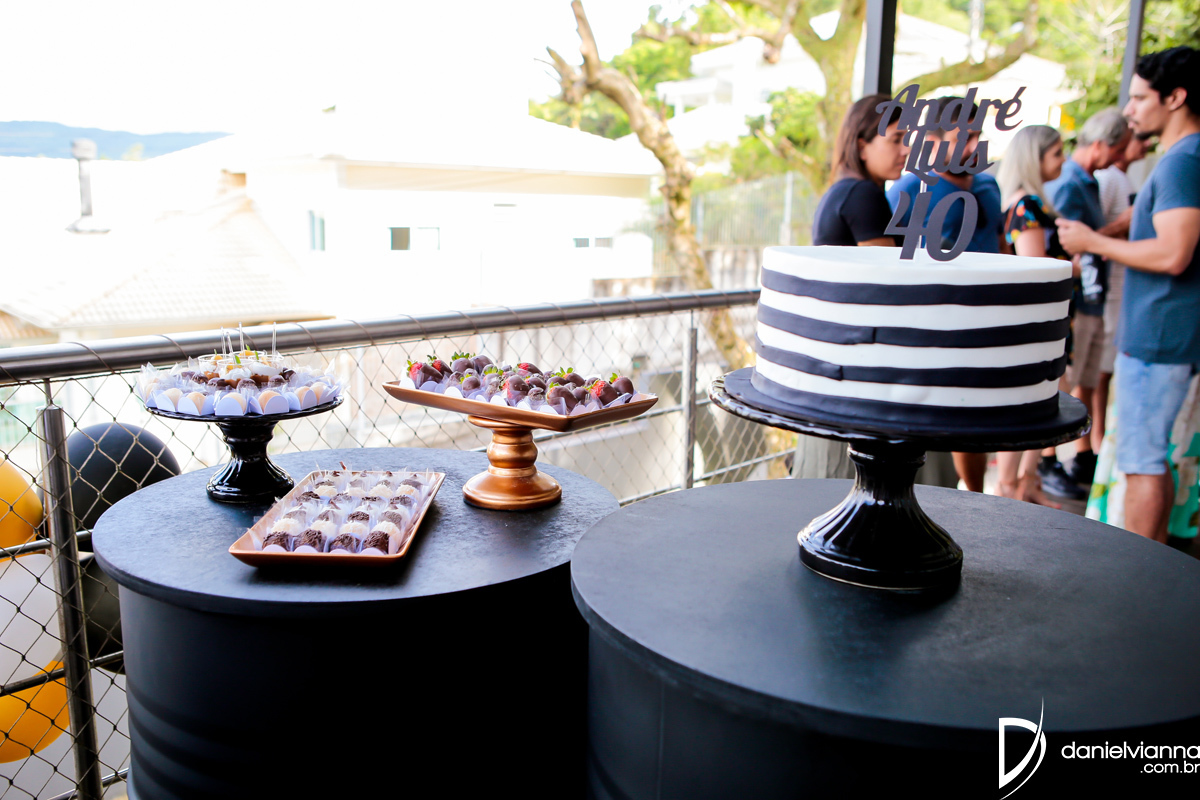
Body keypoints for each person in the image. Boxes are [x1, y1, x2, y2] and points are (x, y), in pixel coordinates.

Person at [1057, 46, 1200, 543]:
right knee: (1153, 457)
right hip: (1169, 333)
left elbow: (1175, 252)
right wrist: (1113, 231)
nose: (1129, 109)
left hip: (1161, 333)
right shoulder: (1183, 159)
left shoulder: (1182, 161)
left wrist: (1092, 242)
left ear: (1175, 97)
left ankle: (1143, 572)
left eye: (1139, 98)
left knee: (1143, 461)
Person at [886, 95, 1006, 492]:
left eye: (977, 136)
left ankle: (976, 496)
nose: (972, 147)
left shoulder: (989, 185)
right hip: (937, 333)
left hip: (989, 323)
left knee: (978, 423)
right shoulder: (909, 190)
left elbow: (1001, 245)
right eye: (962, 138)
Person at [794, 94, 910, 480]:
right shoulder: (863, 195)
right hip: (854, 375)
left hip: (829, 365)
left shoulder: (842, 190)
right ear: (862, 145)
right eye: (896, 139)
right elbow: (888, 288)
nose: (906, 150)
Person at [1044, 108, 1132, 492]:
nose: (1121, 158)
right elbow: (1064, 245)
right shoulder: (1069, 183)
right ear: (1099, 145)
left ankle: (1077, 457)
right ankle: (1048, 461)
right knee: (1067, 381)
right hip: (1077, 298)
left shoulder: (1091, 182)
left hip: (1093, 294)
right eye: (1118, 149)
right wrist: (1116, 229)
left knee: (1084, 380)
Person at [993, 124, 1070, 506]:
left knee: (1040, 400)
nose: (1063, 160)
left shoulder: (1030, 202)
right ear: (1033, 158)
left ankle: (1024, 483)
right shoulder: (1025, 206)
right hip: (1036, 321)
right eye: (1056, 153)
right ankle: (1009, 487)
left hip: (1042, 320)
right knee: (1028, 402)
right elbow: (1036, 268)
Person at [1092, 132, 1155, 461]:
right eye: (1138, 138)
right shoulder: (1108, 179)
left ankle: (1099, 442)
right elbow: (1091, 238)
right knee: (1100, 371)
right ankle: (1095, 442)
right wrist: (1121, 226)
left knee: (1107, 368)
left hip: (1121, 289)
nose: (1146, 145)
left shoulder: (1125, 178)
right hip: (1106, 291)